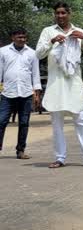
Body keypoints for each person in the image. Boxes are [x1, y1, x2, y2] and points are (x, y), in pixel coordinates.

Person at [35, 1, 83, 168]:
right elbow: (38, 54)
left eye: (63, 13)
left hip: (74, 83)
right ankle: (59, 158)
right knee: (57, 123)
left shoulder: (78, 32)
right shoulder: (48, 31)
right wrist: (52, 41)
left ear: (69, 14)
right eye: (57, 13)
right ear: (54, 15)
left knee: (81, 120)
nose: (60, 16)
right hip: (56, 84)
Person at [0, 28, 41, 159]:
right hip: (8, 93)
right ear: (13, 37)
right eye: (19, 37)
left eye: (24, 37)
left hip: (26, 93)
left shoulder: (32, 53)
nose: (22, 39)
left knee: (24, 123)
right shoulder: (3, 52)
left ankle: (20, 150)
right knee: (1, 121)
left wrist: (37, 92)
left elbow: (35, 74)